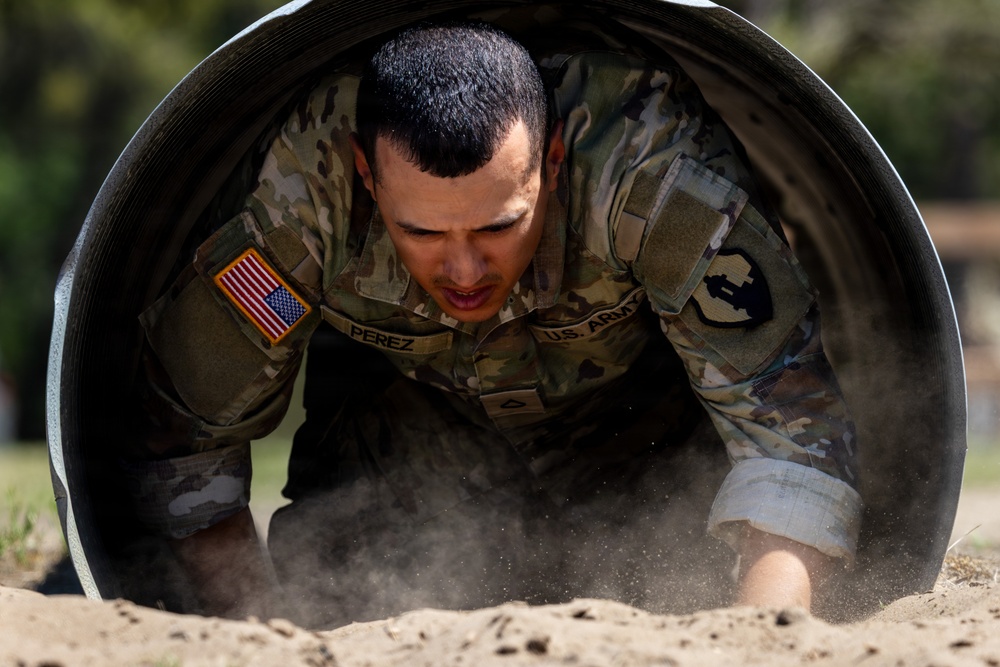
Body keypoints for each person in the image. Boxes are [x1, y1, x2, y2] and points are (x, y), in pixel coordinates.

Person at [127, 15, 862, 625]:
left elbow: (788, 435)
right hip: (403, 459)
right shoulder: (303, 200)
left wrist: (759, 641)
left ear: (552, 160)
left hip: (635, 452)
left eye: (497, 227)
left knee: (679, 574)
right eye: (422, 234)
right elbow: (193, 431)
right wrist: (255, 634)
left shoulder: (650, 178)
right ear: (364, 175)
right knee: (341, 588)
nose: (466, 271)